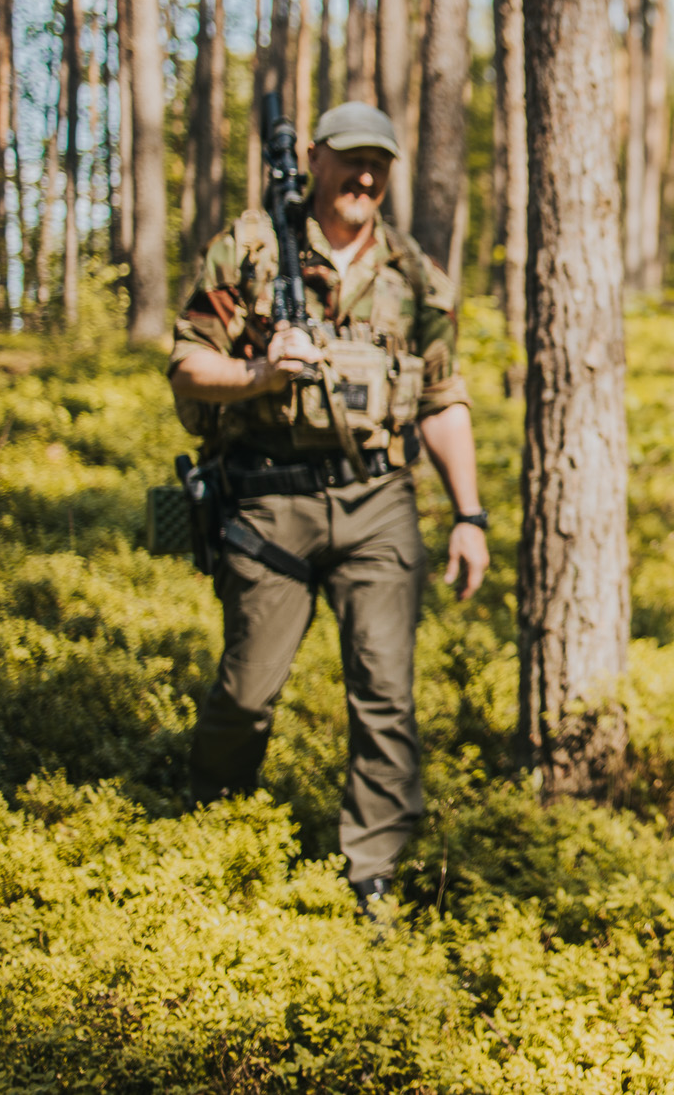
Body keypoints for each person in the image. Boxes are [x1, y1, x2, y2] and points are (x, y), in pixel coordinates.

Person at [169, 101, 490, 914]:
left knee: (384, 692)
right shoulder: (250, 247)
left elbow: (442, 398)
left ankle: (373, 871)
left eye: (379, 163)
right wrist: (260, 375)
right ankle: (213, 826)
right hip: (267, 502)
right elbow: (186, 366)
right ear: (315, 158)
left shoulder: (415, 274)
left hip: (378, 500)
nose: (365, 176)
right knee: (247, 691)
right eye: (350, 159)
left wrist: (470, 515)